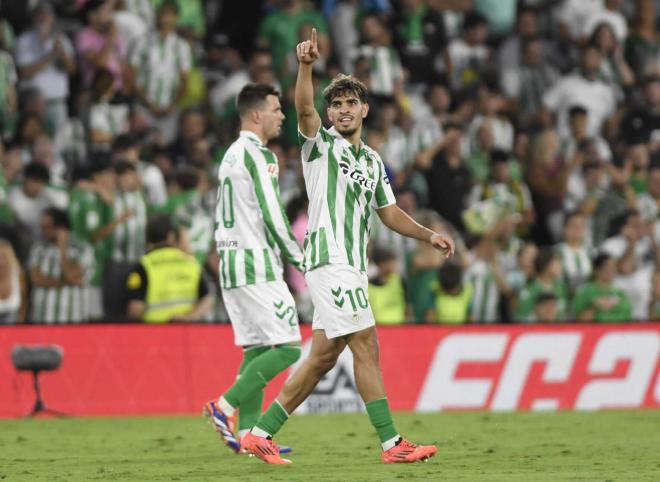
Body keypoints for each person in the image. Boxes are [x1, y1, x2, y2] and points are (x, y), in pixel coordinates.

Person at [241, 28, 454, 465]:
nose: (342, 109)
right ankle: (392, 444)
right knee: (367, 345)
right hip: (329, 258)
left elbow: (389, 213)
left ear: (364, 109)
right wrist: (305, 66)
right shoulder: (320, 146)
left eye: (350, 102)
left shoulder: (373, 162)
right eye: (335, 103)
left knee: (321, 358)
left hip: (351, 265)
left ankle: (260, 434)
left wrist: (427, 234)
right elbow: (303, 107)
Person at [202, 83, 304, 455]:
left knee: (256, 349)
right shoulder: (258, 155)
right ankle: (223, 406)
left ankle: (249, 436)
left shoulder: (230, 155)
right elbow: (273, 213)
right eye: (277, 110)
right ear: (257, 114)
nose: (282, 116)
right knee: (290, 348)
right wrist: (301, 259)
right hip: (255, 263)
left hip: (231, 264)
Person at [125, 214, 212, 322]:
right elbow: (207, 299)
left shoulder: (142, 266)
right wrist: (189, 317)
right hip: (186, 332)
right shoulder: (190, 263)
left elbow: (135, 309)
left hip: (153, 333)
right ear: (170, 236)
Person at [27, 208, 94, 323]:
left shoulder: (83, 249)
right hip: (42, 319)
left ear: (61, 229)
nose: (43, 231)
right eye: (42, 227)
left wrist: (62, 248)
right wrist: (65, 283)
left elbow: (71, 275)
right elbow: (36, 279)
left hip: (72, 319)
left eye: (47, 228)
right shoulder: (38, 248)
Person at [572, 253, 632, 322]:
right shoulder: (584, 292)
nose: (612, 270)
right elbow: (579, 320)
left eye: (614, 267)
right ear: (597, 269)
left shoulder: (621, 294)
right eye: (608, 266)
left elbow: (628, 318)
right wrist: (595, 306)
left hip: (618, 331)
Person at [368, 246, 407, 325]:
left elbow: (407, 304)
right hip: (378, 327)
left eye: (394, 261)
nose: (394, 265)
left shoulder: (399, 280)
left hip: (399, 326)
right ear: (380, 264)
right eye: (390, 262)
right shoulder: (369, 285)